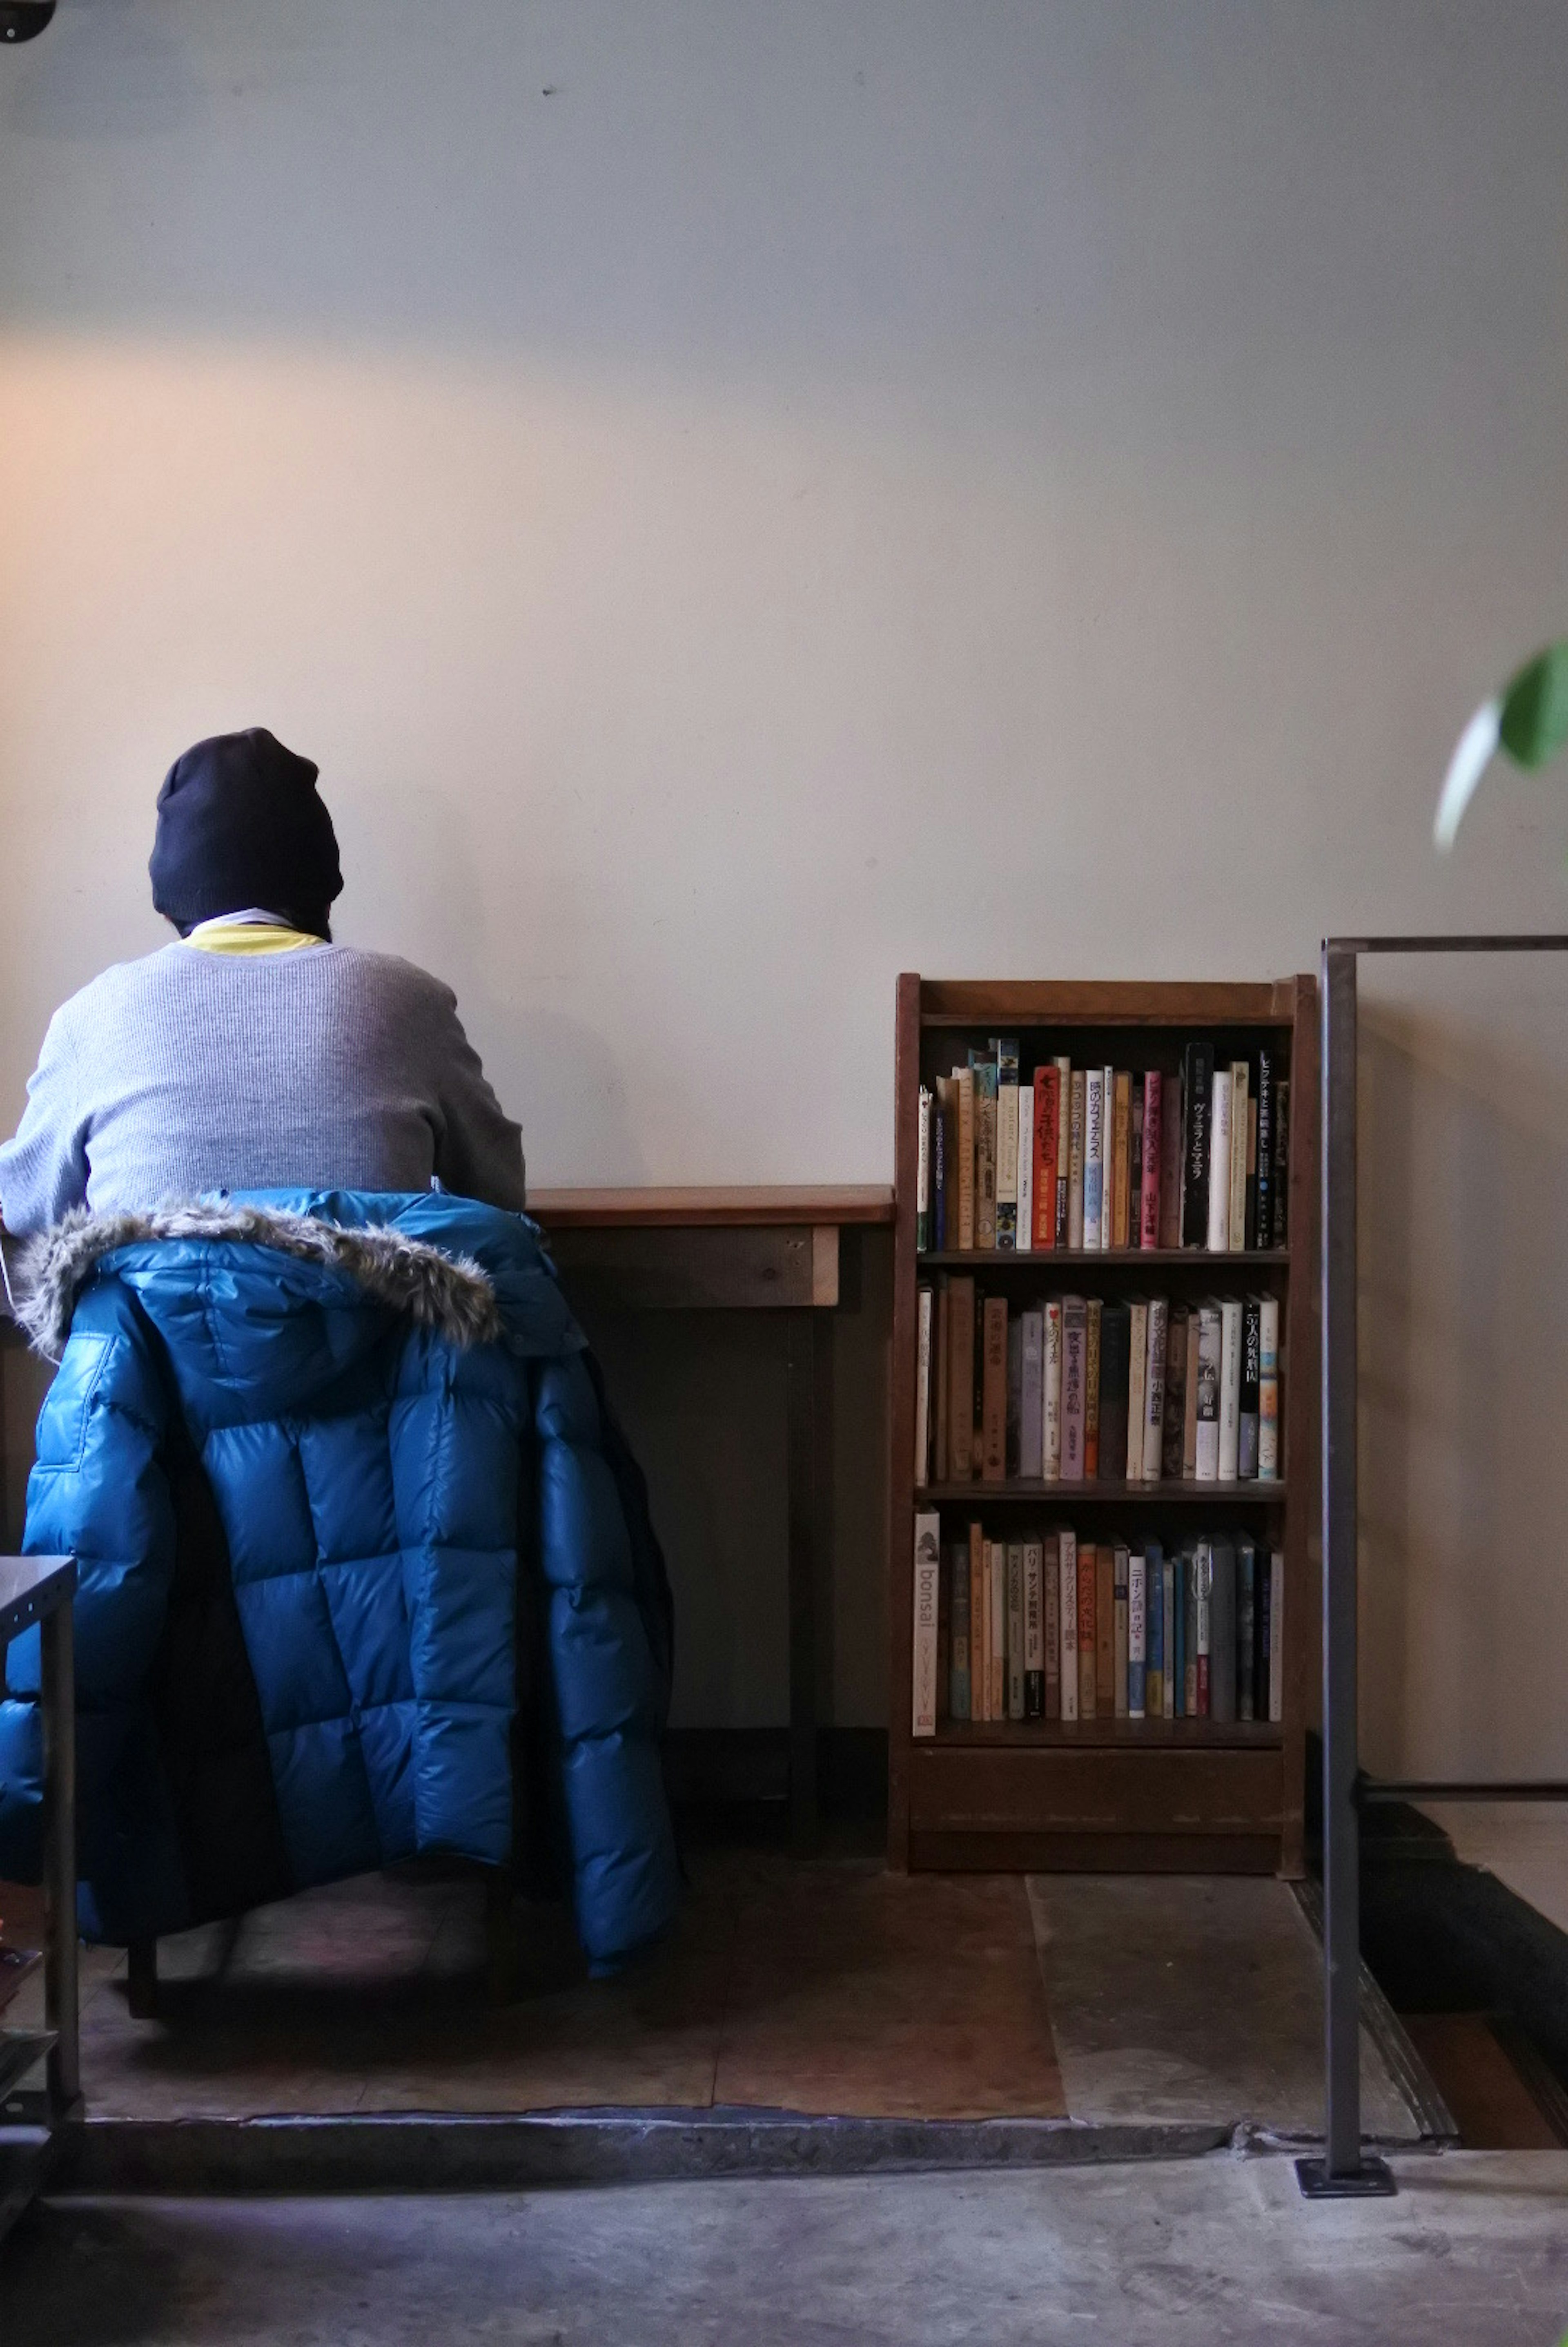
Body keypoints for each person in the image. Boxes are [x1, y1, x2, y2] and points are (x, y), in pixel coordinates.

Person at [0, 728, 526, 1234]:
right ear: (324, 886)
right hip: (373, 1325)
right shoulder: (410, 1001)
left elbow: (26, 1207)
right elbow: (498, 1191)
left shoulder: (93, 1017)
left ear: (171, 899)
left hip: (156, 1328)